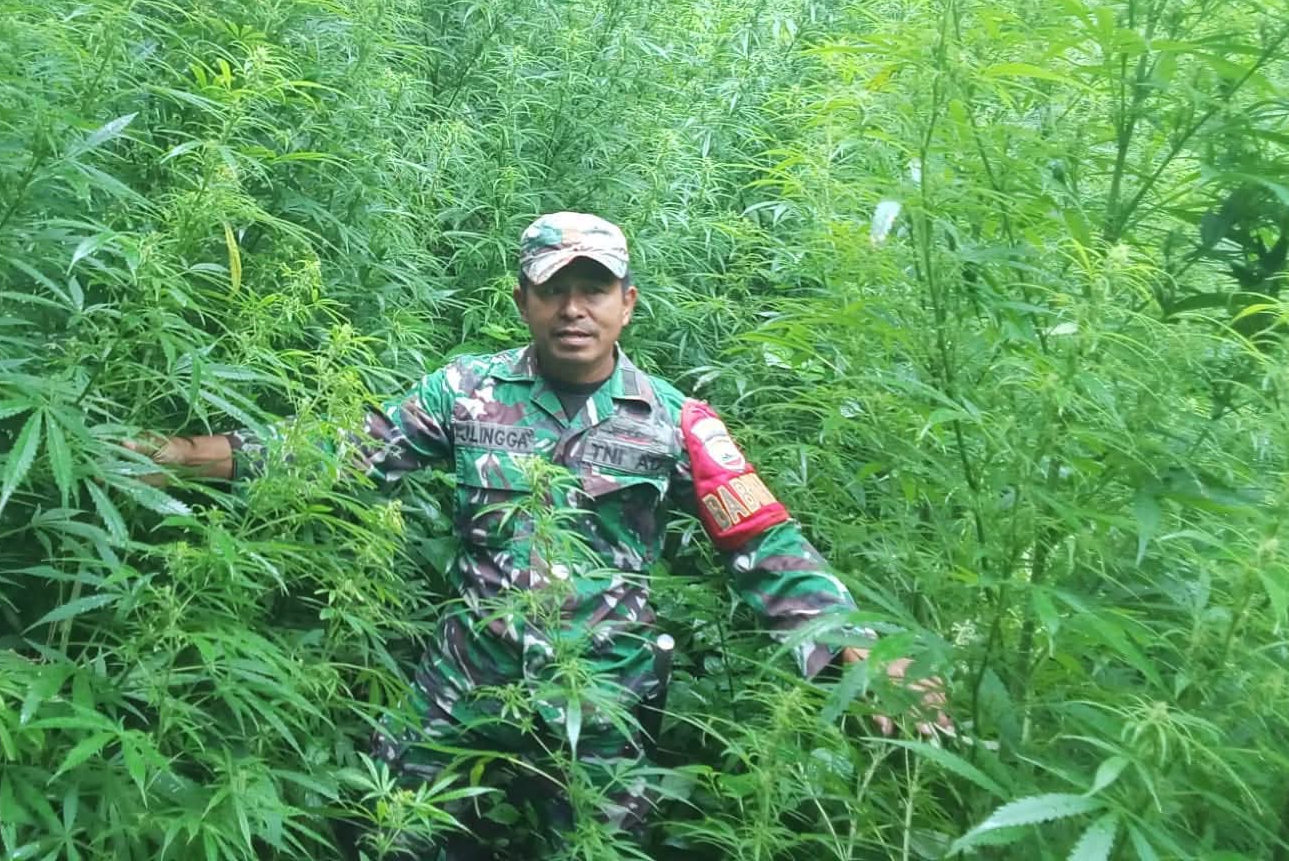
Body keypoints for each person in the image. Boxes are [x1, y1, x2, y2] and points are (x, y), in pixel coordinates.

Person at [130, 212, 948, 856]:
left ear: (628, 303)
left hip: (604, 698)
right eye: (554, 289)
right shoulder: (466, 392)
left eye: (595, 289)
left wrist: (860, 647)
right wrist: (187, 457)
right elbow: (342, 451)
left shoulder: (676, 421)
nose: (574, 309)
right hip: (464, 682)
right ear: (523, 300)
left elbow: (762, 541)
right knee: (384, 834)